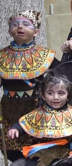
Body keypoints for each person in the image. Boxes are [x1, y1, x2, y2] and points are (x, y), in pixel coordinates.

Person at [2, 11, 54, 158]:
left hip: (35, 106)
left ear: (36, 32)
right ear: (9, 30)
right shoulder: (2, 56)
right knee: (10, 146)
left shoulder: (46, 55)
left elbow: (60, 79)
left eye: (26, 24)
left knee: (35, 148)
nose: (19, 27)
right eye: (15, 24)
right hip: (8, 107)